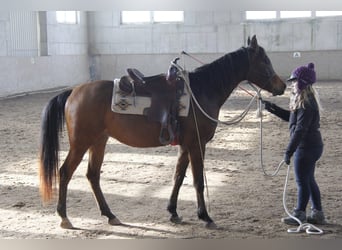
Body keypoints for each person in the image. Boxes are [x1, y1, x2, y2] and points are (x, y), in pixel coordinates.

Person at [262, 62, 326, 225]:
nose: (291, 84)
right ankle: (317, 212)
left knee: (302, 181)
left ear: (302, 82)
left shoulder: (306, 104)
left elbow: (300, 130)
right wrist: (272, 108)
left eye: (294, 81)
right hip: (312, 146)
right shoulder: (306, 101)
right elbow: (291, 119)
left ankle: (299, 213)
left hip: (306, 148)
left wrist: (289, 151)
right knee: (309, 179)